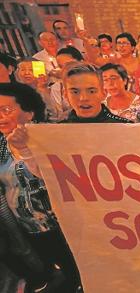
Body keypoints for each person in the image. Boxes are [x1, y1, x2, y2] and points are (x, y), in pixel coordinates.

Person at [0, 82, 82, 292]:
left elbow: (59, 176)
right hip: (30, 227)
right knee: (60, 269)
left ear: (29, 111)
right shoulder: (1, 145)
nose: (0, 116)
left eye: (6, 110)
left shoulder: (47, 138)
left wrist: (25, 149)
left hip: (65, 224)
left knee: (80, 268)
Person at [59, 62, 131, 123]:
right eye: (75, 92)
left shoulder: (125, 127)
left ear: (104, 93)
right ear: (65, 95)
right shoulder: (58, 131)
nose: (83, 98)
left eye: (91, 91)